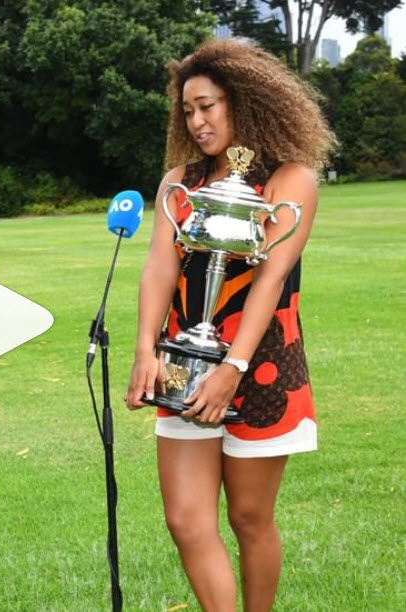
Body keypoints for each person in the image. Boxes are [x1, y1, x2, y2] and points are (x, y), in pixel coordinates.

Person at [125, 39, 335, 612]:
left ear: (245, 102)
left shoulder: (291, 181)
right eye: (188, 110)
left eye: (208, 106)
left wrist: (232, 368)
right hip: (182, 362)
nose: (196, 121)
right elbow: (158, 270)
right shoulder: (180, 179)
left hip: (262, 365)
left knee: (248, 516)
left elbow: (270, 281)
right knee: (186, 520)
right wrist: (146, 351)